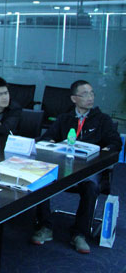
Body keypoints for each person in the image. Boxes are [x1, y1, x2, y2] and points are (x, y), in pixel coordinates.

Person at [31, 80, 122, 254]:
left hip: (89, 170)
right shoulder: (64, 119)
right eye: (85, 94)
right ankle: (45, 226)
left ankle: (79, 234)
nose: (90, 97)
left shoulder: (102, 120)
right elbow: (47, 138)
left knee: (91, 186)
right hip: (64, 167)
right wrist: (51, 142)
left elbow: (115, 143)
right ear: (74, 98)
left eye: (92, 93)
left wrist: (104, 152)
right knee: (42, 179)